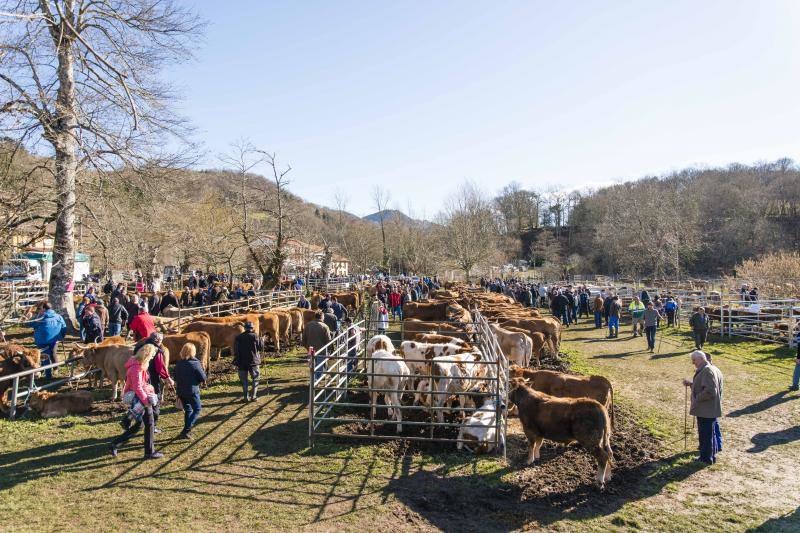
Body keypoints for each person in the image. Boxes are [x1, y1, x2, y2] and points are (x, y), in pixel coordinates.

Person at [110, 344, 163, 459]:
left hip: (142, 397)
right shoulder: (136, 368)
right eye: (152, 355)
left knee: (141, 424)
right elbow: (137, 387)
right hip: (141, 399)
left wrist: (149, 389)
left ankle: (115, 443)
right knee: (149, 423)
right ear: (147, 355)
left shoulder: (139, 364)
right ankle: (149, 452)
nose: (153, 357)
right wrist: (146, 402)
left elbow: (141, 384)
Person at [683, 351, 724, 465]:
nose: (693, 363)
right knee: (709, 433)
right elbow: (703, 386)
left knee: (705, 434)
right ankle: (711, 455)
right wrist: (692, 385)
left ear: (700, 358)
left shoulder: (707, 370)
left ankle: (706, 459)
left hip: (706, 409)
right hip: (708, 408)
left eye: (694, 360)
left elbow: (710, 391)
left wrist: (697, 398)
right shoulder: (709, 368)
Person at [174, 343, 207, 440]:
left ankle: (186, 430)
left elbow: (175, 377)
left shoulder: (178, 364)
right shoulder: (195, 363)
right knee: (197, 409)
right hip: (192, 391)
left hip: (181, 391)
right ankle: (186, 429)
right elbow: (202, 377)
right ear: (193, 352)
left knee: (188, 410)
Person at [28, 302, 67, 379]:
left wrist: (30, 317)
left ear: (44, 308)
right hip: (55, 340)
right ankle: (56, 368)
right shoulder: (58, 316)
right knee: (53, 353)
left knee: (45, 357)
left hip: (42, 340)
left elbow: (28, 324)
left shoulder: (40, 318)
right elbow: (64, 327)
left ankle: (48, 375)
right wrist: (61, 336)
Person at [135, 332, 173, 400]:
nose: (161, 342)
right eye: (161, 340)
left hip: (140, 373)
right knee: (154, 393)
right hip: (152, 375)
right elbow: (160, 367)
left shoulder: (139, 347)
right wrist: (167, 378)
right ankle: (154, 405)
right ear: (158, 341)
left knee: (142, 392)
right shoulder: (156, 350)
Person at [233, 321, 264, 402]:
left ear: (245, 328)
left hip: (241, 362)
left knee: (244, 380)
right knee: (255, 378)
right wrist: (262, 340)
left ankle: (245, 397)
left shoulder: (238, 337)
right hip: (254, 362)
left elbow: (235, 350)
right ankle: (253, 396)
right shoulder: (255, 336)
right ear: (252, 328)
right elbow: (260, 348)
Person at [302, 312, 331, 381]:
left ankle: (314, 377)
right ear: (322, 317)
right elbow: (328, 339)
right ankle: (317, 379)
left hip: (310, 348)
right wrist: (328, 348)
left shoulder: (308, 325)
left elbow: (304, 338)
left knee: (312, 364)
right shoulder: (324, 326)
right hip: (321, 349)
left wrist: (306, 346)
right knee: (319, 364)